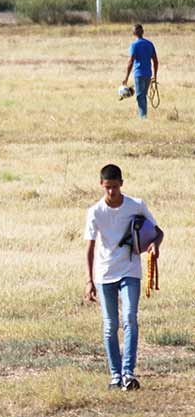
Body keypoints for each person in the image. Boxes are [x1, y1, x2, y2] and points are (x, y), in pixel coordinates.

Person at [84, 164, 163, 391]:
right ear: (101, 185)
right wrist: (89, 281)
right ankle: (115, 376)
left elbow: (159, 232)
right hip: (104, 273)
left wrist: (153, 247)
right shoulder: (95, 212)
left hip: (130, 269)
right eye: (108, 187)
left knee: (130, 318)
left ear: (122, 184)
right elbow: (89, 248)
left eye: (115, 187)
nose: (111, 192)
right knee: (110, 325)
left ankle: (128, 373)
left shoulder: (135, 205)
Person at [122, 24, 158, 120]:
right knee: (143, 95)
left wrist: (126, 77)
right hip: (148, 74)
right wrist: (155, 75)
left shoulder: (134, 45)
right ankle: (142, 114)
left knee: (139, 96)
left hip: (139, 74)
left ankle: (143, 117)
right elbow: (155, 60)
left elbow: (131, 61)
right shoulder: (150, 44)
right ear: (143, 32)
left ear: (133, 33)